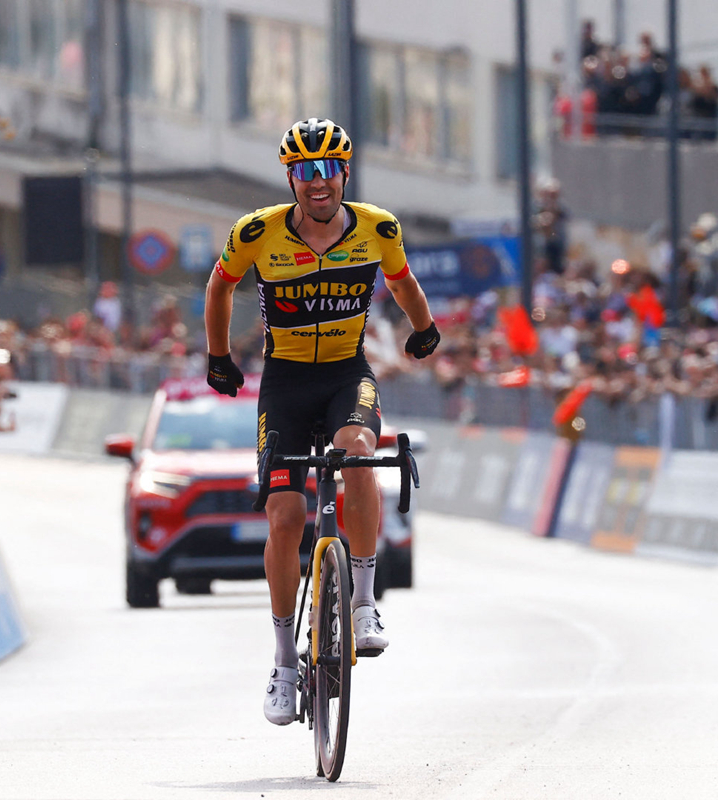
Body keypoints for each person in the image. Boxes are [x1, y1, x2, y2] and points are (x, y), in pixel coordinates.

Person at [203, 118, 439, 725]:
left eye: (327, 169)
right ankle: (284, 662)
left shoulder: (378, 228)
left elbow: (403, 282)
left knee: (359, 450)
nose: (317, 181)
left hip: (344, 374)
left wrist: (423, 328)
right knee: (285, 518)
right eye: (305, 171)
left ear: (344, 174)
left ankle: (363, 601)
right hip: (284, 383)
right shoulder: (256, 233)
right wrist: (219, 356)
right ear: (291, 178)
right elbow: (218, 289)